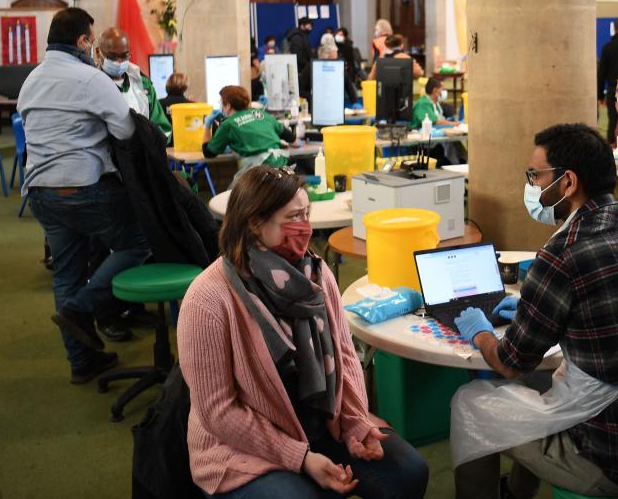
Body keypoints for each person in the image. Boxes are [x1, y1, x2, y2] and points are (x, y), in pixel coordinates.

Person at [451, 123, 618, 498]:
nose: (533, 186)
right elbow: (616, 308)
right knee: (539, 385)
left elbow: (510, 362)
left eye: (535, 175)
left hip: (617, 461)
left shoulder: (561, 254)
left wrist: (480, 331)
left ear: (567, 183)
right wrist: (534, 307)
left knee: (470, 405)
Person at [178, 166, 430, 499]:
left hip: (322, 426)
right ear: (255, 222)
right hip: (243, 448)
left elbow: (344, 354)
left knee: (410, 472)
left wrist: (355, 420)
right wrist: (301, 458)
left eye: (307, 213)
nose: (306, 227)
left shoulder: (315, 274)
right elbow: (219, 412)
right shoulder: (209, 298)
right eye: (295, 216)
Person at [19, 7, 151, 383]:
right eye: (90, 41)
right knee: (138, 240)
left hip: (41, 195)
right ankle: (82, 308)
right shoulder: (90, 80)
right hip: (83, 189)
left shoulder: (31, 80)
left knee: (66, 274)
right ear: (81, 41)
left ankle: (81, 362)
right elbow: (126, 132)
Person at [96, 27, 172, 142]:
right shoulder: (91, 85)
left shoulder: (143, 85)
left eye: (124, 56)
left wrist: (150, 145)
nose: (119, 62)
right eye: (112, 57)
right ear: (98, 53)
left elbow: (163, 129)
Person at [203, 85, 295, 171]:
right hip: (282, 167)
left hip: (260, 171)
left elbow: (208, 153)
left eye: (221, 103)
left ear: (228, 106)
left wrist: (207, 126)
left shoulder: (228, 124)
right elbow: (290, 136)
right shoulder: (260, 113)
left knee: (239, 188)